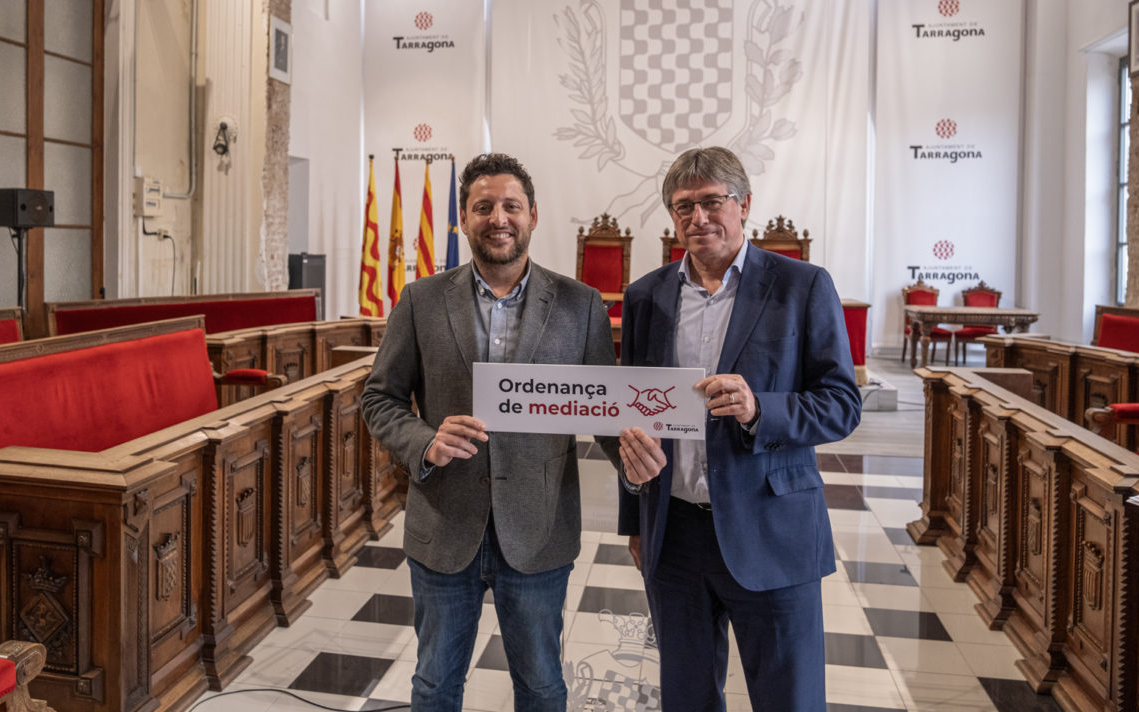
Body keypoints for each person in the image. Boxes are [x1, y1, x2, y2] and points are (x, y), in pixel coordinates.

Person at [361, 152, 664, 712]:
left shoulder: (580, 305)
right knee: (433, 686)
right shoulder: (421, 301)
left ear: (533, 215)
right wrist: (424, 441)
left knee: (543, 687)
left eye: (511, 206)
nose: (498, 218)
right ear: (463, 219)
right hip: (444, 525)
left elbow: (604, 411)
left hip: (539, 529)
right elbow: (379, 399)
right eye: (483, 207)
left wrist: (634, 462)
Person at [618, 146, 862, 711]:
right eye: (683, 207)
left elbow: (842, 404)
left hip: (771, 528)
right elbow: (634, 417)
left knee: (789, 700)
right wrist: (636, 520)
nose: (698, 218)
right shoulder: (645, 297)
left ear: (744, 204)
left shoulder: (802, 286)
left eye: (712, 201)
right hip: (674, 535)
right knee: (686, 700)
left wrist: (760, 411)